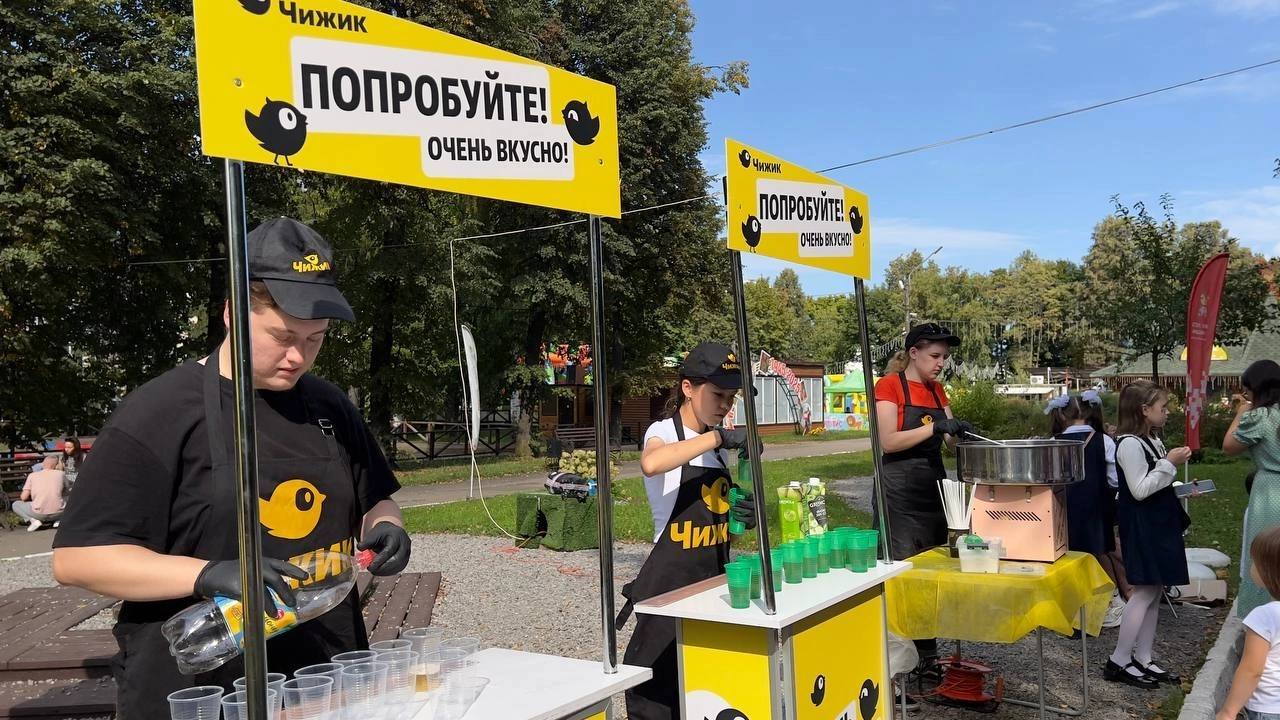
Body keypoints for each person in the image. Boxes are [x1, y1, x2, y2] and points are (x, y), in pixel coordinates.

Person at [51, 218, 411, 717]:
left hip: (322, 674)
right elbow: (78, 559)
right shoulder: (159, 412)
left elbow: (375, 499)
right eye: (282, 335)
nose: (297, 356)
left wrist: (388, 526)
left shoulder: (330, 407)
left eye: (315, 339)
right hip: (198, 685)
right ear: (231, 313)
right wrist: (206, 574)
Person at [618, 342, 757, 719]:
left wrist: (741, 518)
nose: (725, 405)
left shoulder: (717, 452)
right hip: (670, 586)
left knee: (704, 689)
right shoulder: (663, 432)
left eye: (731, 398)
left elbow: (716, 530)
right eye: (718, 395)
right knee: (658, 693)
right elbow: (651, 463)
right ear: (688, 388)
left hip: (712, 581)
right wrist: (718, 437)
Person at [873, 322, 972, 682]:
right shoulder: (888, 386)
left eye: (944, 357)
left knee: (930, 574)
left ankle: (927, 657)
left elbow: (950, 444)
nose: (941, 362)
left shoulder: (937, 390)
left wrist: (960, 433)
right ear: (913, 353)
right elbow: (887, 441)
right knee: (902, 574)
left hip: (932, 487)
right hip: (898, 490)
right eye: (935, 355)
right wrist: (934, 427)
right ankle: (897, 662)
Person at [1104, 379, 1192, 689]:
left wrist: (1178, 485)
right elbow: (1140, 489)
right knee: (1142, 591)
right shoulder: (1129, 444)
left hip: (1158, 523)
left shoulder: (1151, 440)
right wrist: (1168, 464)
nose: (1167, 412)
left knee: (1154, 591)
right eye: (1163, 407)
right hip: (1143, 526)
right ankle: (1118, 659)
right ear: (1144, 410)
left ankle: (1142, 656)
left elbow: (1155, 482)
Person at [1223, 359, 1280, 618]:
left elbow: (1229, 446)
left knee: (1264, 551)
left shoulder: (1260, 416)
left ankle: (1262, 614)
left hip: (1270, 490)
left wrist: (1240, 412)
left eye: (1247, 390)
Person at [1218, 525, 1280, 720]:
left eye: (1255, 561)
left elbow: (1251, 670)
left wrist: (1228, 712)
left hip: (1268, 709)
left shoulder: (1264, 617)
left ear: (1269, 571)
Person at [13, 455, 67, 532]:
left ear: (43, 464)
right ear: (56, 465)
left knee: (15, 505)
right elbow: (68, 491)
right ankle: (59, 520)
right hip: (59, 512)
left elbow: (23, 497)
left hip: (38, 513)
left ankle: (33, 520)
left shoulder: (32, 475)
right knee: (69, 499)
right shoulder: (61, 474)